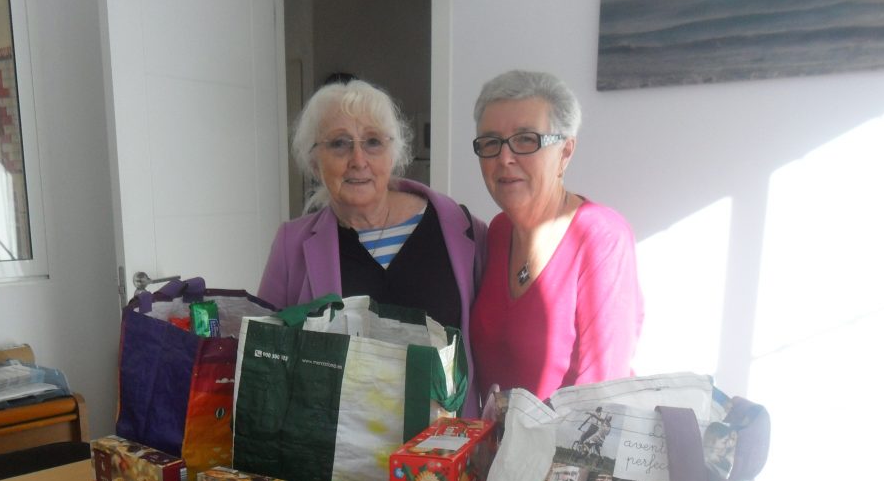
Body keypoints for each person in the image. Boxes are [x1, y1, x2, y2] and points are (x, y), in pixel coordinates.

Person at [258, 79, 487, 414]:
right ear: (313, 162)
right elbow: (264, 359)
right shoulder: (292, 245)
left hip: (444, 453)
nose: (358, 159)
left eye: (373, 142)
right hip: (338, 454)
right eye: (339, 143)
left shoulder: (462, 230)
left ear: (394, 154)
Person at [468, 70, 643, 402]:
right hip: (497, 449)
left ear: (564, 152)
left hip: (565, 451)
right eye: (491, 143)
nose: (505, 158)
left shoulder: (600, 238)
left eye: (525, 140)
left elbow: (601, 395)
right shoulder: (498, 231)